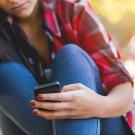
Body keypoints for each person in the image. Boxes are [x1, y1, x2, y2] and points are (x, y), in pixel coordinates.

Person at [0, 0, 134, 135]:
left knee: (71, 55)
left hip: (107, 120)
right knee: (4, 74)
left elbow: (125, 92)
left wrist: (99, 106)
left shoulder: (73, 8)